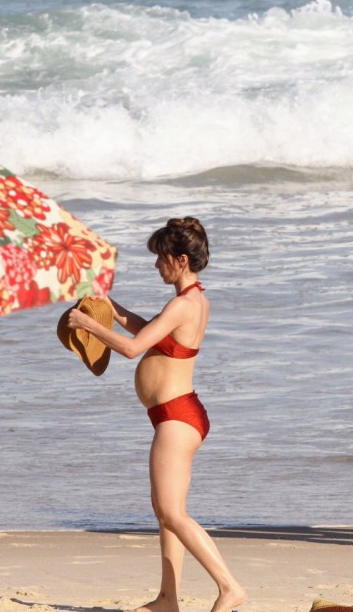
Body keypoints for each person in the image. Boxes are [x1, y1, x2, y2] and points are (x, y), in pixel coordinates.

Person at [67, 217, 245, 612]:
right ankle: (168, 598)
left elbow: (132, 349)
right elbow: (149, 331)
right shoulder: (194, 300)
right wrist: (109, 307)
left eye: (160, 258)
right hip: (178, 414)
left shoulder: (183, 304)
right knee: (166, 512)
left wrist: (86, 324)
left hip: (178, 416)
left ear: (180, 260)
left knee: (170, 512)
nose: (156, 266)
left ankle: (229, 587)